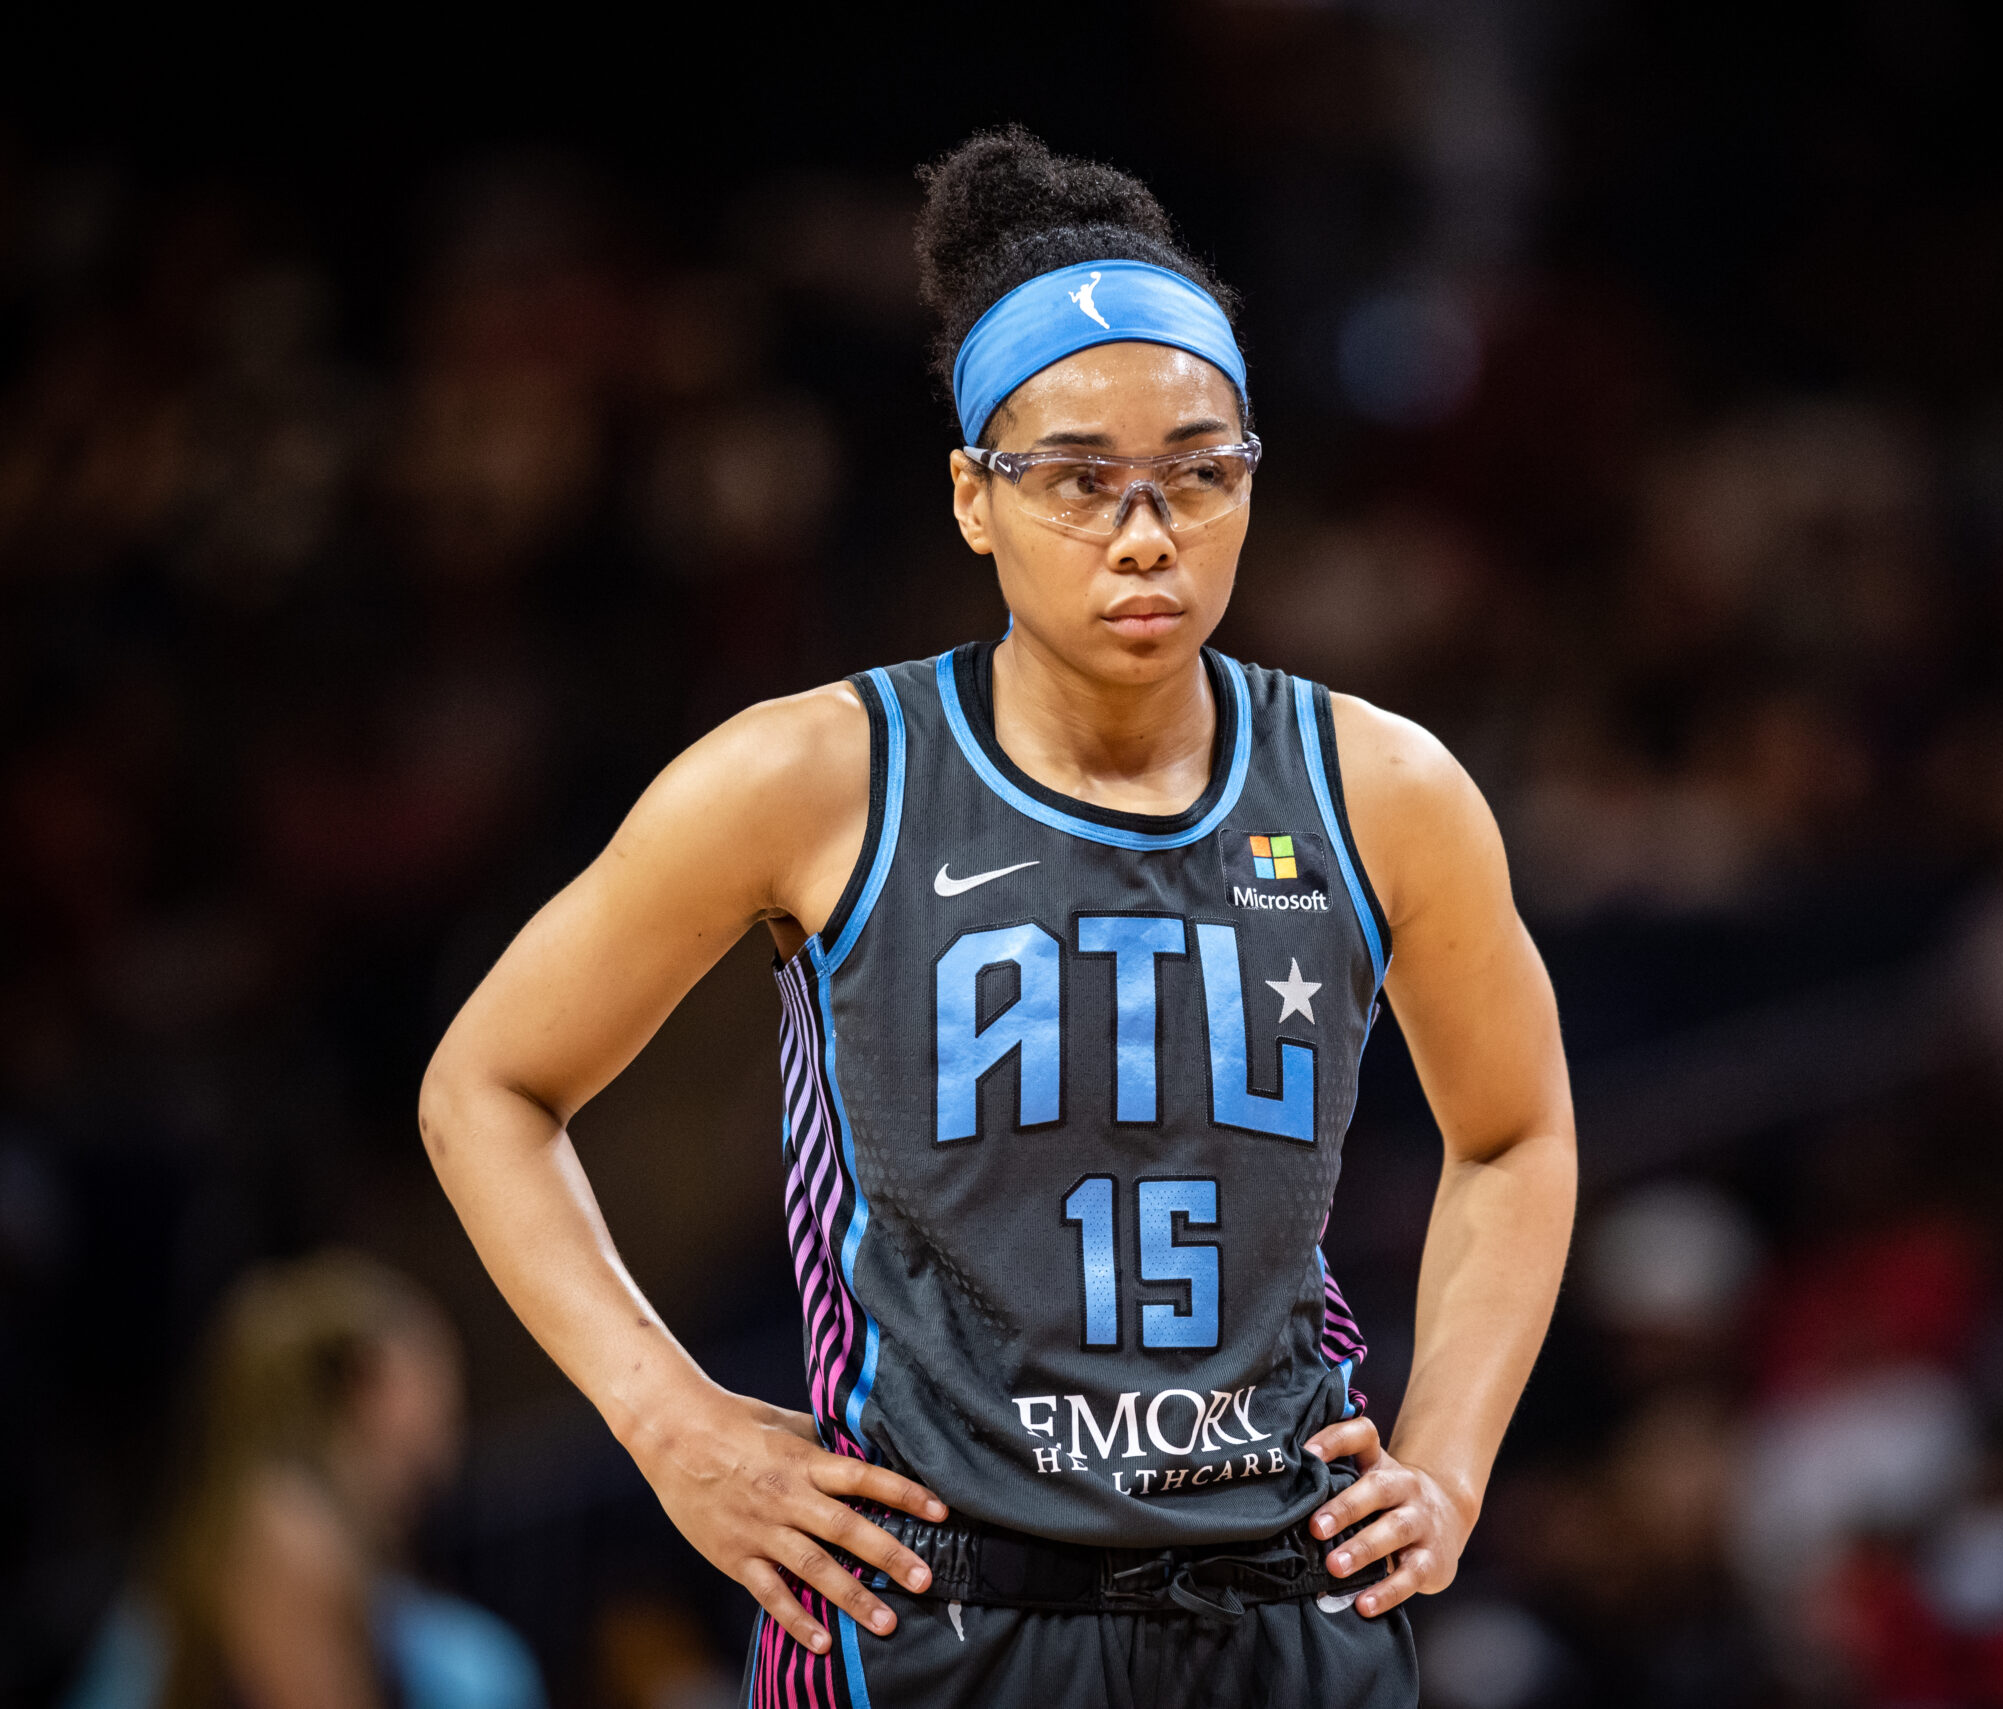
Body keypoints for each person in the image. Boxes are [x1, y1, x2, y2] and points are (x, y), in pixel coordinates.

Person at [417, 127, 1577, 1709]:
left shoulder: (1387, 789)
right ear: (972, 497)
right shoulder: (807, 775)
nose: (1147, 529)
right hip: (935, 1619)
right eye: (1079, 480)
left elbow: (1513, 1135)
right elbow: (486, 1084)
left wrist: (1448, 1454)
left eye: (1199, 471)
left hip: (1288, 1613)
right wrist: (666, 1417)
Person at [61, 1252, 544, 1709]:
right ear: (366, 1380)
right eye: (435, 1379)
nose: (451, 1421)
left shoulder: (298, 1526)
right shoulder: (286, 1533)